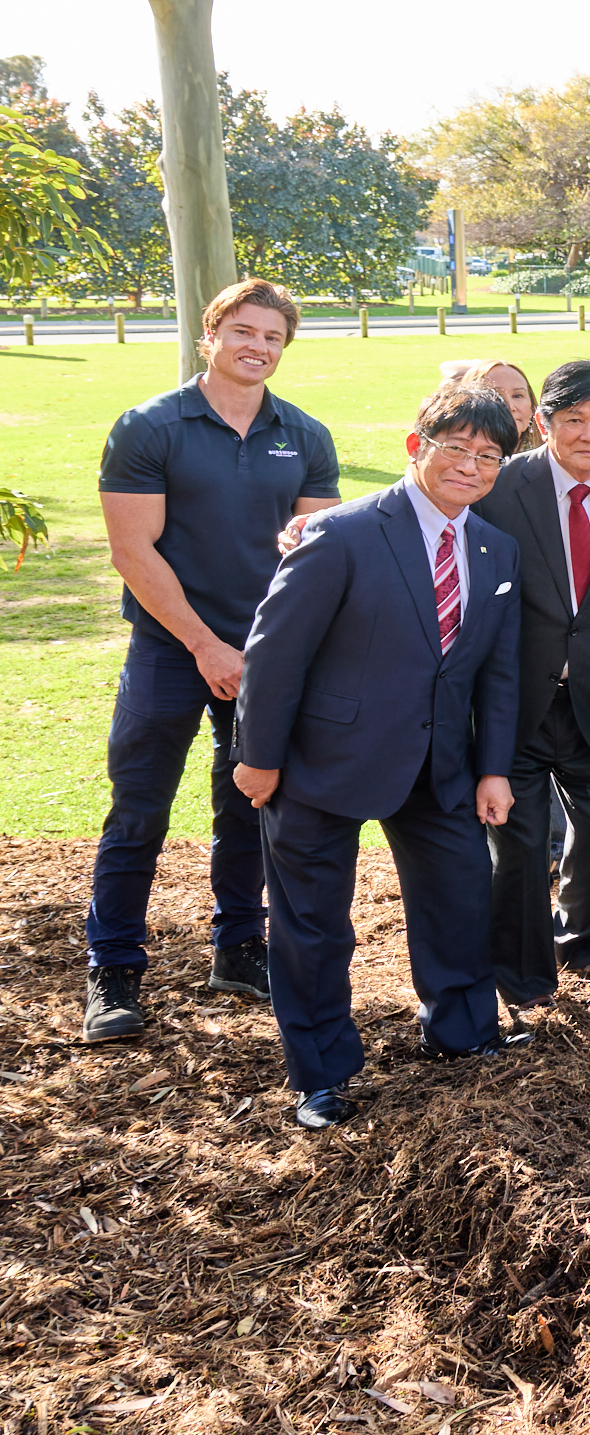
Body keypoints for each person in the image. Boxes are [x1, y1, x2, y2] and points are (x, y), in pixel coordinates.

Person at [232, 384, 524, 1128]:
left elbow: (498, 671)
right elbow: (274, 655)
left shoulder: (496, 549)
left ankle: (461, 1034)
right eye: (455, 447)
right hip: (319, 762)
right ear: (414, 446)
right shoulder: (340, 533)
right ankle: (322, 1072)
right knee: (314, 924)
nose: (471, 464)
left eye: (488, 454)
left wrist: (493, 766)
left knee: (459, 896)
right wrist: (257, 758)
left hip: (441, 768)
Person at [83, 278, 342, 1045]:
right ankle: (114, 967)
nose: (257, 347)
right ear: (210, 334)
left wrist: (266, 649)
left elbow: (314, 555)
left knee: (248, 807)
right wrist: (204, 643)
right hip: (170, 650)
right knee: (139, 811)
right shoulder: (149, 427)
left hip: (265, 659)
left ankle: (239, 948)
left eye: (272, 337)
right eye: (243, 331)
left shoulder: (306, 434)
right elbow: (133, 550)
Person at [470, 360, 590, 1015]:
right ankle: (521, 974)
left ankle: (580, 940)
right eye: (574, 419)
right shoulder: (500, 487)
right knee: (519, 844)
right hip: (512, 701)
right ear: (544, 422)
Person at [446, 358, 540, 451]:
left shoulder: (548, 457)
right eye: (497, 396)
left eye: (518, 396)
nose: (510, 406)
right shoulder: (453, 456)